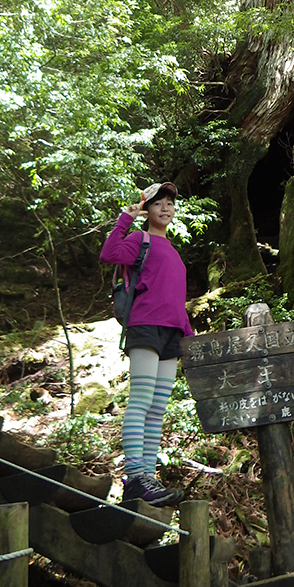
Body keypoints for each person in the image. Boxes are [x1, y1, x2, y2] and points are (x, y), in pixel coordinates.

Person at [100, 180, 193, 506]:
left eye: (169, 203)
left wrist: (188, 337)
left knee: (157, 408)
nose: (165, 208)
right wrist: (127, 217)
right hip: (144, 327)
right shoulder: (140, 239)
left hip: (171, 334)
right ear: (147, 209)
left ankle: (147, 479)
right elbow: (108, 253)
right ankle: (135, 477)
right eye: (157, 203)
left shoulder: (174, 252)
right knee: (140, 403)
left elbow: (176, 301)